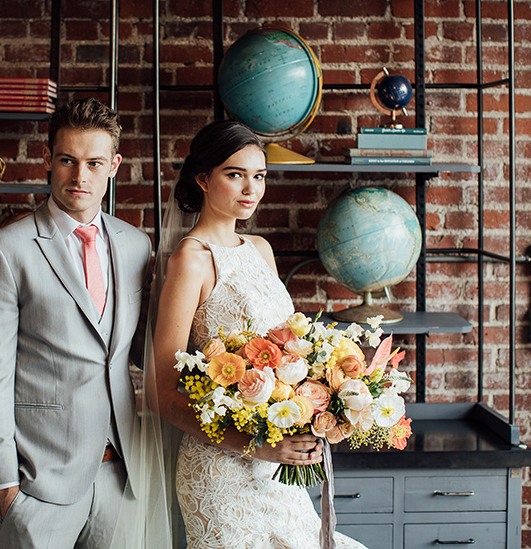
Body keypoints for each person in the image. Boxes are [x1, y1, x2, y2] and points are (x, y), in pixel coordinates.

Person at [148, 120, 368, 549]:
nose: (251, 189)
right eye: (235, 174)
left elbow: (289, 350)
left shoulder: (260, 249)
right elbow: (162, 392)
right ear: (203, 179)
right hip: (221, 468)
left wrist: (317, 406)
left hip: (277, 465)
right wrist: (255, 445)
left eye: (259, 175)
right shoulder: (191, 261)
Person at [0, 97, 152, 549]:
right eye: (67, 160)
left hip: (122, 476)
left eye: (94, 162)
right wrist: (5, 488)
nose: (79, 176)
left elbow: (144, 350)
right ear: (48, 159)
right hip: (38, 484)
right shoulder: (5, 250)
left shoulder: (136, 245)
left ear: (115, 165)